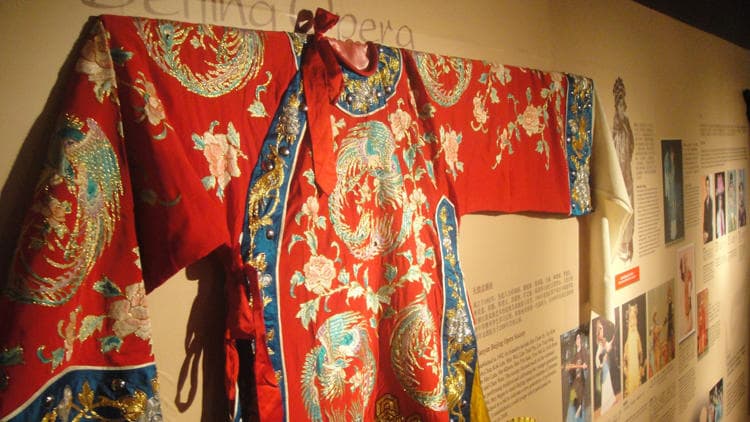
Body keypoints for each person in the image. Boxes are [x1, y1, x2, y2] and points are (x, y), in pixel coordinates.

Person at [565, 332, 589, 421]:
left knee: (579, 402)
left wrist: (583, 366)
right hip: (575, 382)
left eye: (579, 338)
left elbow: (586, 366)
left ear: (581, 340)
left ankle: (579, 414)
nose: (578, 340)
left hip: (581, 382)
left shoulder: (584, 352)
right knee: (572, 401)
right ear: (575, 341)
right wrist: (569, 368)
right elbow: (572, 370)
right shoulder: (575, 356)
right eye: (577, 339)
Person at [595, 320, 616, 412]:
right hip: (604, 364)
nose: (602, 329)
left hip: (606, 363)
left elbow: (607, 346)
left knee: (607, 381)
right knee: (605, 381)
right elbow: (600, 353)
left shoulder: (602, 339)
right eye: (600, 328)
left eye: (602, 327)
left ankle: (610, 399)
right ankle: (606, 403)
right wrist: (600, 365)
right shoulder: (600, 339)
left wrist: (612, 340)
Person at [623, 304, 644, 396]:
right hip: (631, 362)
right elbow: (626, 347)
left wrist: (641, 361)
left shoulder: (636, 334)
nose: (632, 321)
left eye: (633, 318)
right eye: (631, 318)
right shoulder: (630, 334)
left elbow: (640, 350)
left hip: (635, 362)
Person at [703, 176, 713, 243]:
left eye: (708, 185)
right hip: (706, 234)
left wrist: (708, 233)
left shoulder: (711, 201)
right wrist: (704, 232)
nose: (707, 188)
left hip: (710, 234)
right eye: (706, 185)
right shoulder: (705, 201)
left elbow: (711, 218)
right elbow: (705, 217)